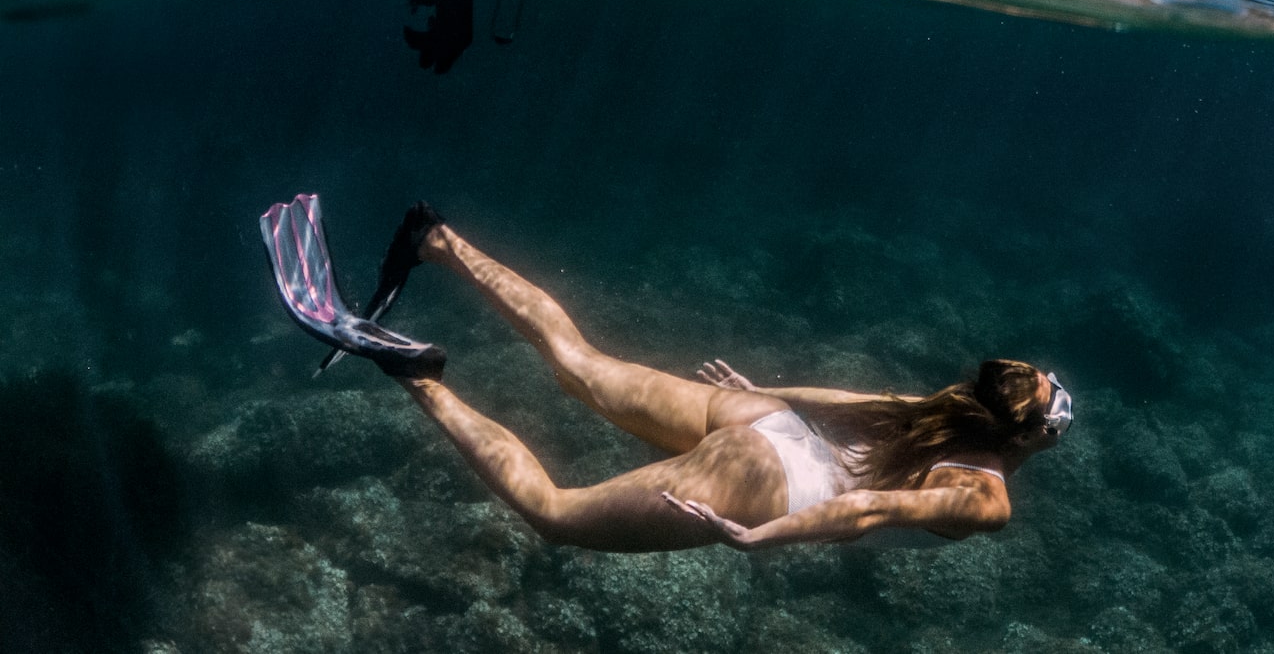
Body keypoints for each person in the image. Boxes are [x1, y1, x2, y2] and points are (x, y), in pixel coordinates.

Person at [257, 194, 1072, 552]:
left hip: (770, 425)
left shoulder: (943, 407)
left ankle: (436, 239)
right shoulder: (988, 499)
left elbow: (843, 401)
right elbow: (866, 508)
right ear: (1031, 437)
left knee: (582, 365)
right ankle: (415, 372)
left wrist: (765, 394)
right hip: (770, 482)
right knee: (552, 511)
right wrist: (764, 534)